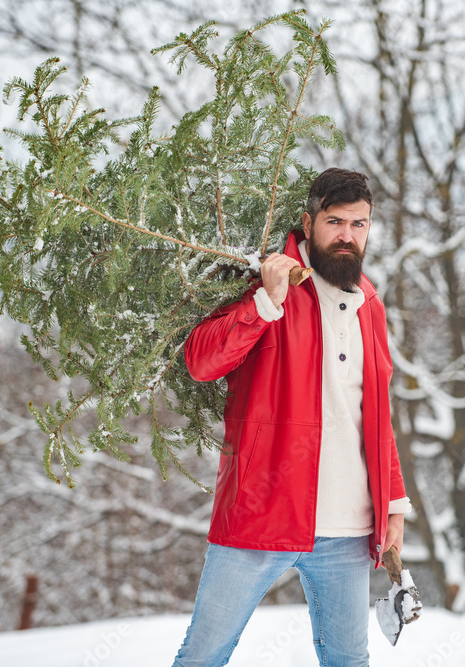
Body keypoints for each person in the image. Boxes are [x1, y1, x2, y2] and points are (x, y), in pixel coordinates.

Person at [174, 167, 411, 666]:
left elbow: (375, 414)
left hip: (348, 529)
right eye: (335, 221)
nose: (347, 235)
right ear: (308, 222)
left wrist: (393, 503)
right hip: (260, 515)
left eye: (359, 224)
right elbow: (201, 361)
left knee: (349, 661)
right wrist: (266, 302)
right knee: (203, 656)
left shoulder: (370, 304)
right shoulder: (266, 282)